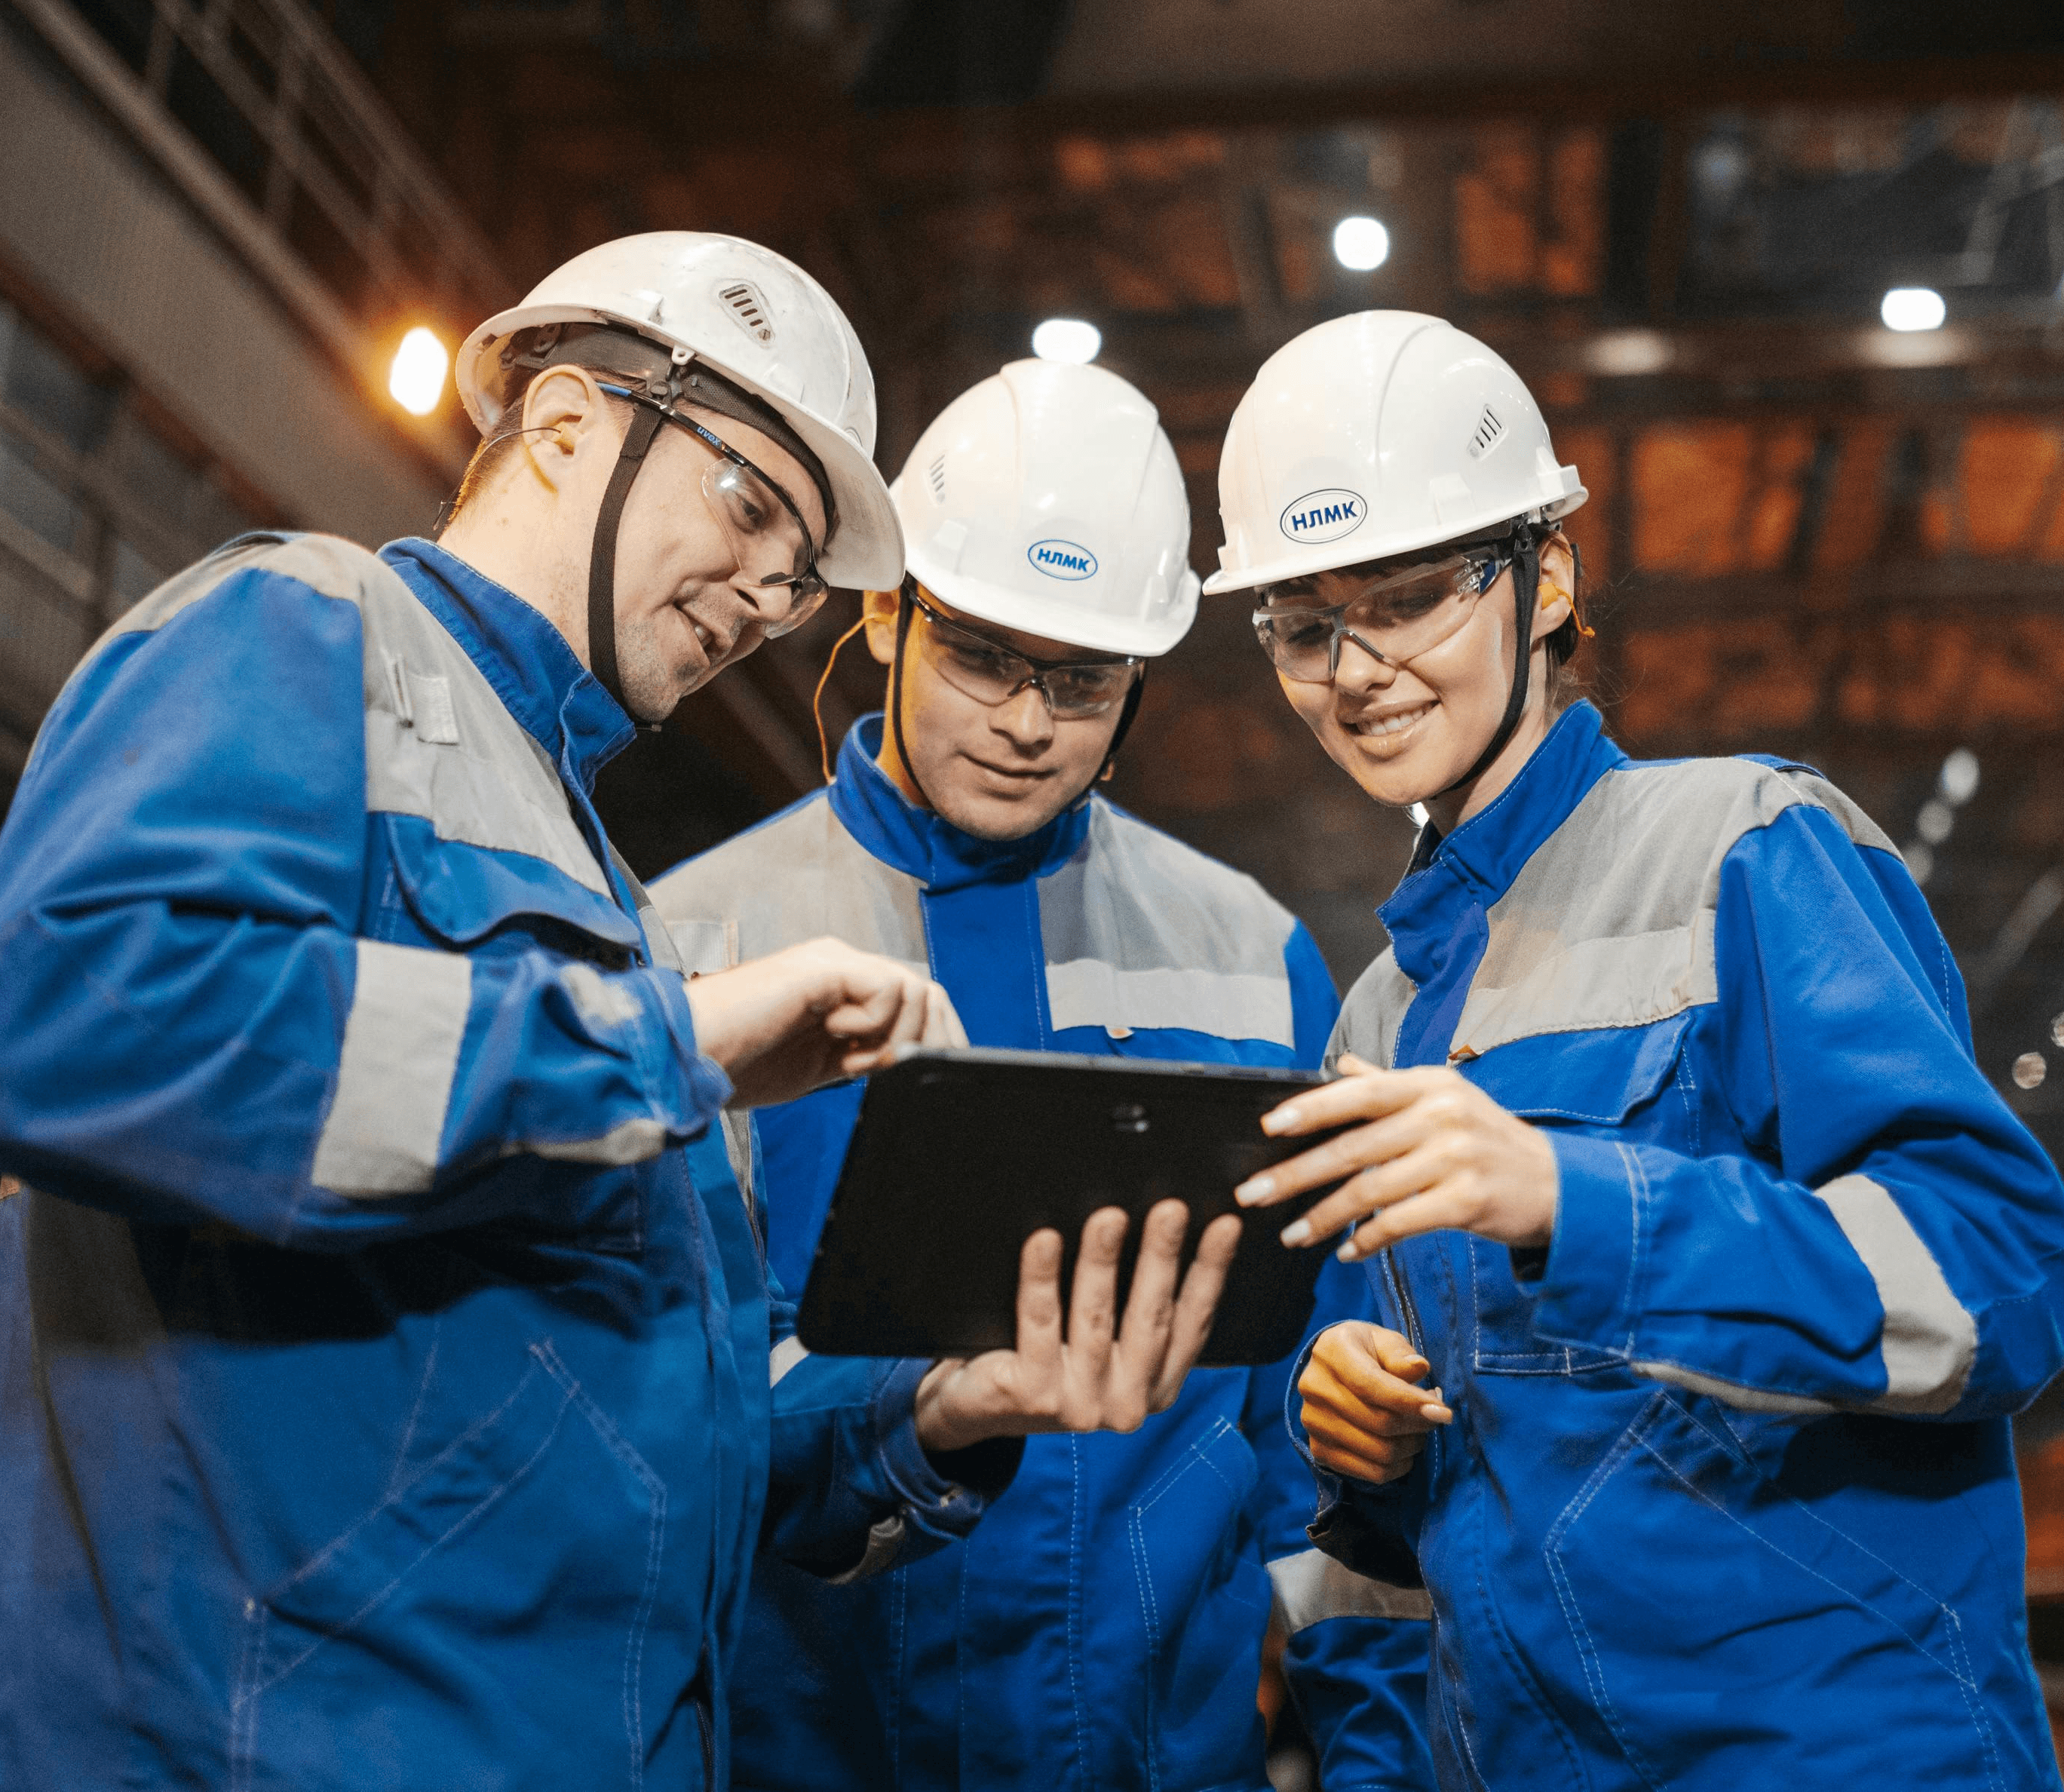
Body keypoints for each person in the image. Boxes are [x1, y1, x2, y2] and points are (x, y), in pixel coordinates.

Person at [0, 233, 1240, 1792]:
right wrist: (674, 1043)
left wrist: (948, 1407)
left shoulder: (612, 896)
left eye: (801, 569)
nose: (771, 598)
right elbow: (81, 1018)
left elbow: (671, 1426)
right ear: (570, 420)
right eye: (750, 507)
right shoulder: (309, 630)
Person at [1208, 308, 2064, 1787]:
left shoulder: (1748, 847)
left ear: (1545, 578)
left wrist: (1574, 1199)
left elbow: (2000, 1271)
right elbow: (1417, 1553)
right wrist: (1363, 1446)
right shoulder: (1375, 1023)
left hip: (1836, 1755)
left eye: (1407, 599)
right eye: (1305, 625)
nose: (1356, 670)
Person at [651, 357, 1436, 1792]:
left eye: (1081, 680)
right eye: (983, 656)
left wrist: (1379, 1765)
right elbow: (656, 1422)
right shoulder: (690, 950)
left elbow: (1315, 1444)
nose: (1028, 723)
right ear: (886, 613)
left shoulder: (1249, 958)